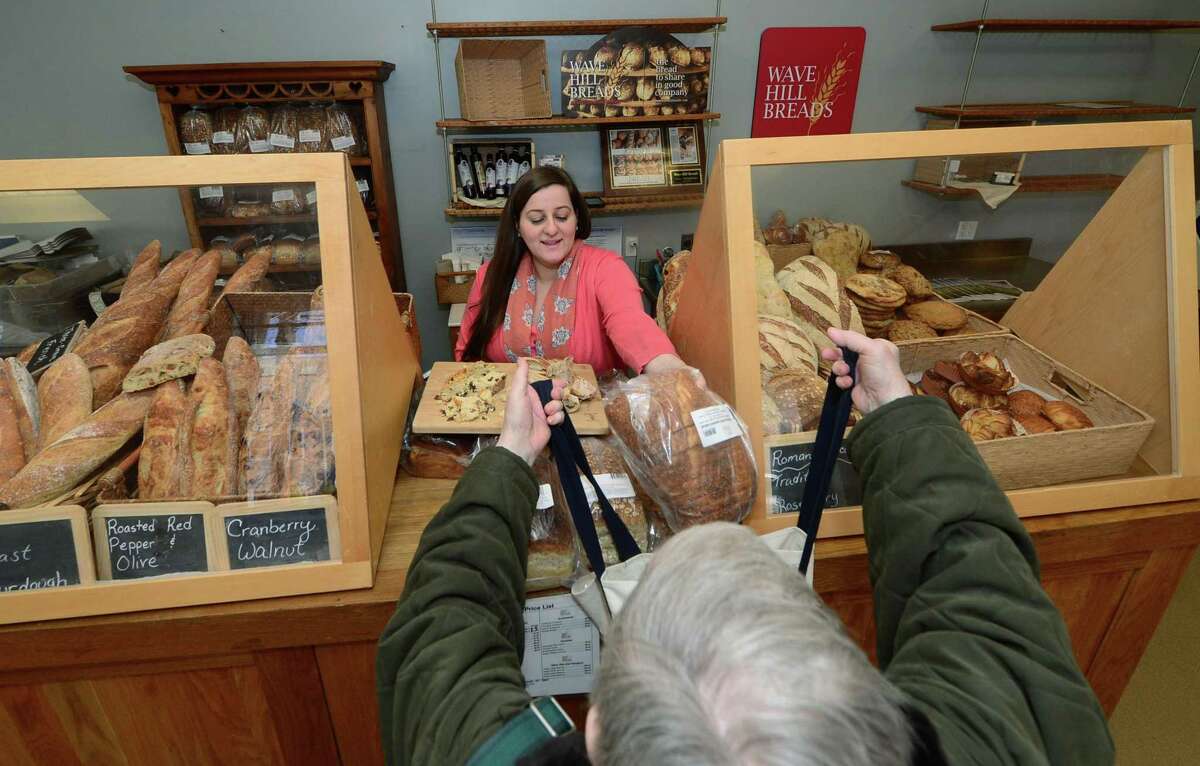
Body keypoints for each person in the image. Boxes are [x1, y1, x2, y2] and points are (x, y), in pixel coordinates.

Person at [377, 331, 1114, 765]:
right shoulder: (998, 736)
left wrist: (508, 457)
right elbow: (975, 579)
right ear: (877, 704)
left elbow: (439, 630)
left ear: (595, 732)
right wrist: (898, 412)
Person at [455, 165, 689, 378]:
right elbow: (466, 356)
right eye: (537, 220)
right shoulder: (490, 276)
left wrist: (669, 369)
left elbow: (631, 323)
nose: (551, 229)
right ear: (517, 226)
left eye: (561, 216)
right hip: (511, 416)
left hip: (590, 419)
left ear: (576, 218)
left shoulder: (605, 269)